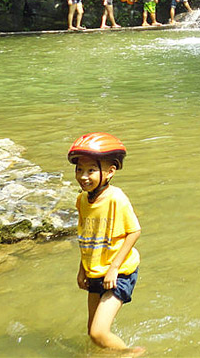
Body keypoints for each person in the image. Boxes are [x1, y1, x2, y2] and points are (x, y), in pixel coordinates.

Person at [68, 133, 143, 354]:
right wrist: (82, 269)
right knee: (92, 331)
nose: (83, 176)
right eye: (79, 170)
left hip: (120, 272)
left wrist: (114, 268)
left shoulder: (116, 199)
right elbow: (86, 236)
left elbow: (134, 232)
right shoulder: (82, 200)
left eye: (91, 170)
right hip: (94, 273)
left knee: (98, 333)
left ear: (110, 171)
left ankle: (133, 354)